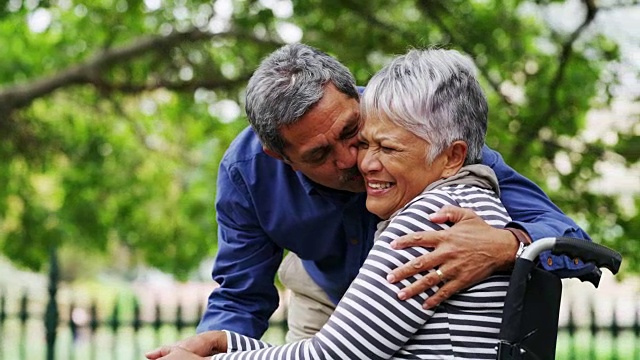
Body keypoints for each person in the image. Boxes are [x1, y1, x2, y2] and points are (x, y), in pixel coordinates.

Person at [146, 43, 595, 359]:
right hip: (324, 297)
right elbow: (243, 298)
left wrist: (506, 245)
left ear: (356, 99)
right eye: (320, 155)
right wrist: (208, 348)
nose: (353, 161)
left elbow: (570, 239)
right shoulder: (247, 172)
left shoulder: (426, 137)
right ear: (279, 156)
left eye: (352, 133)